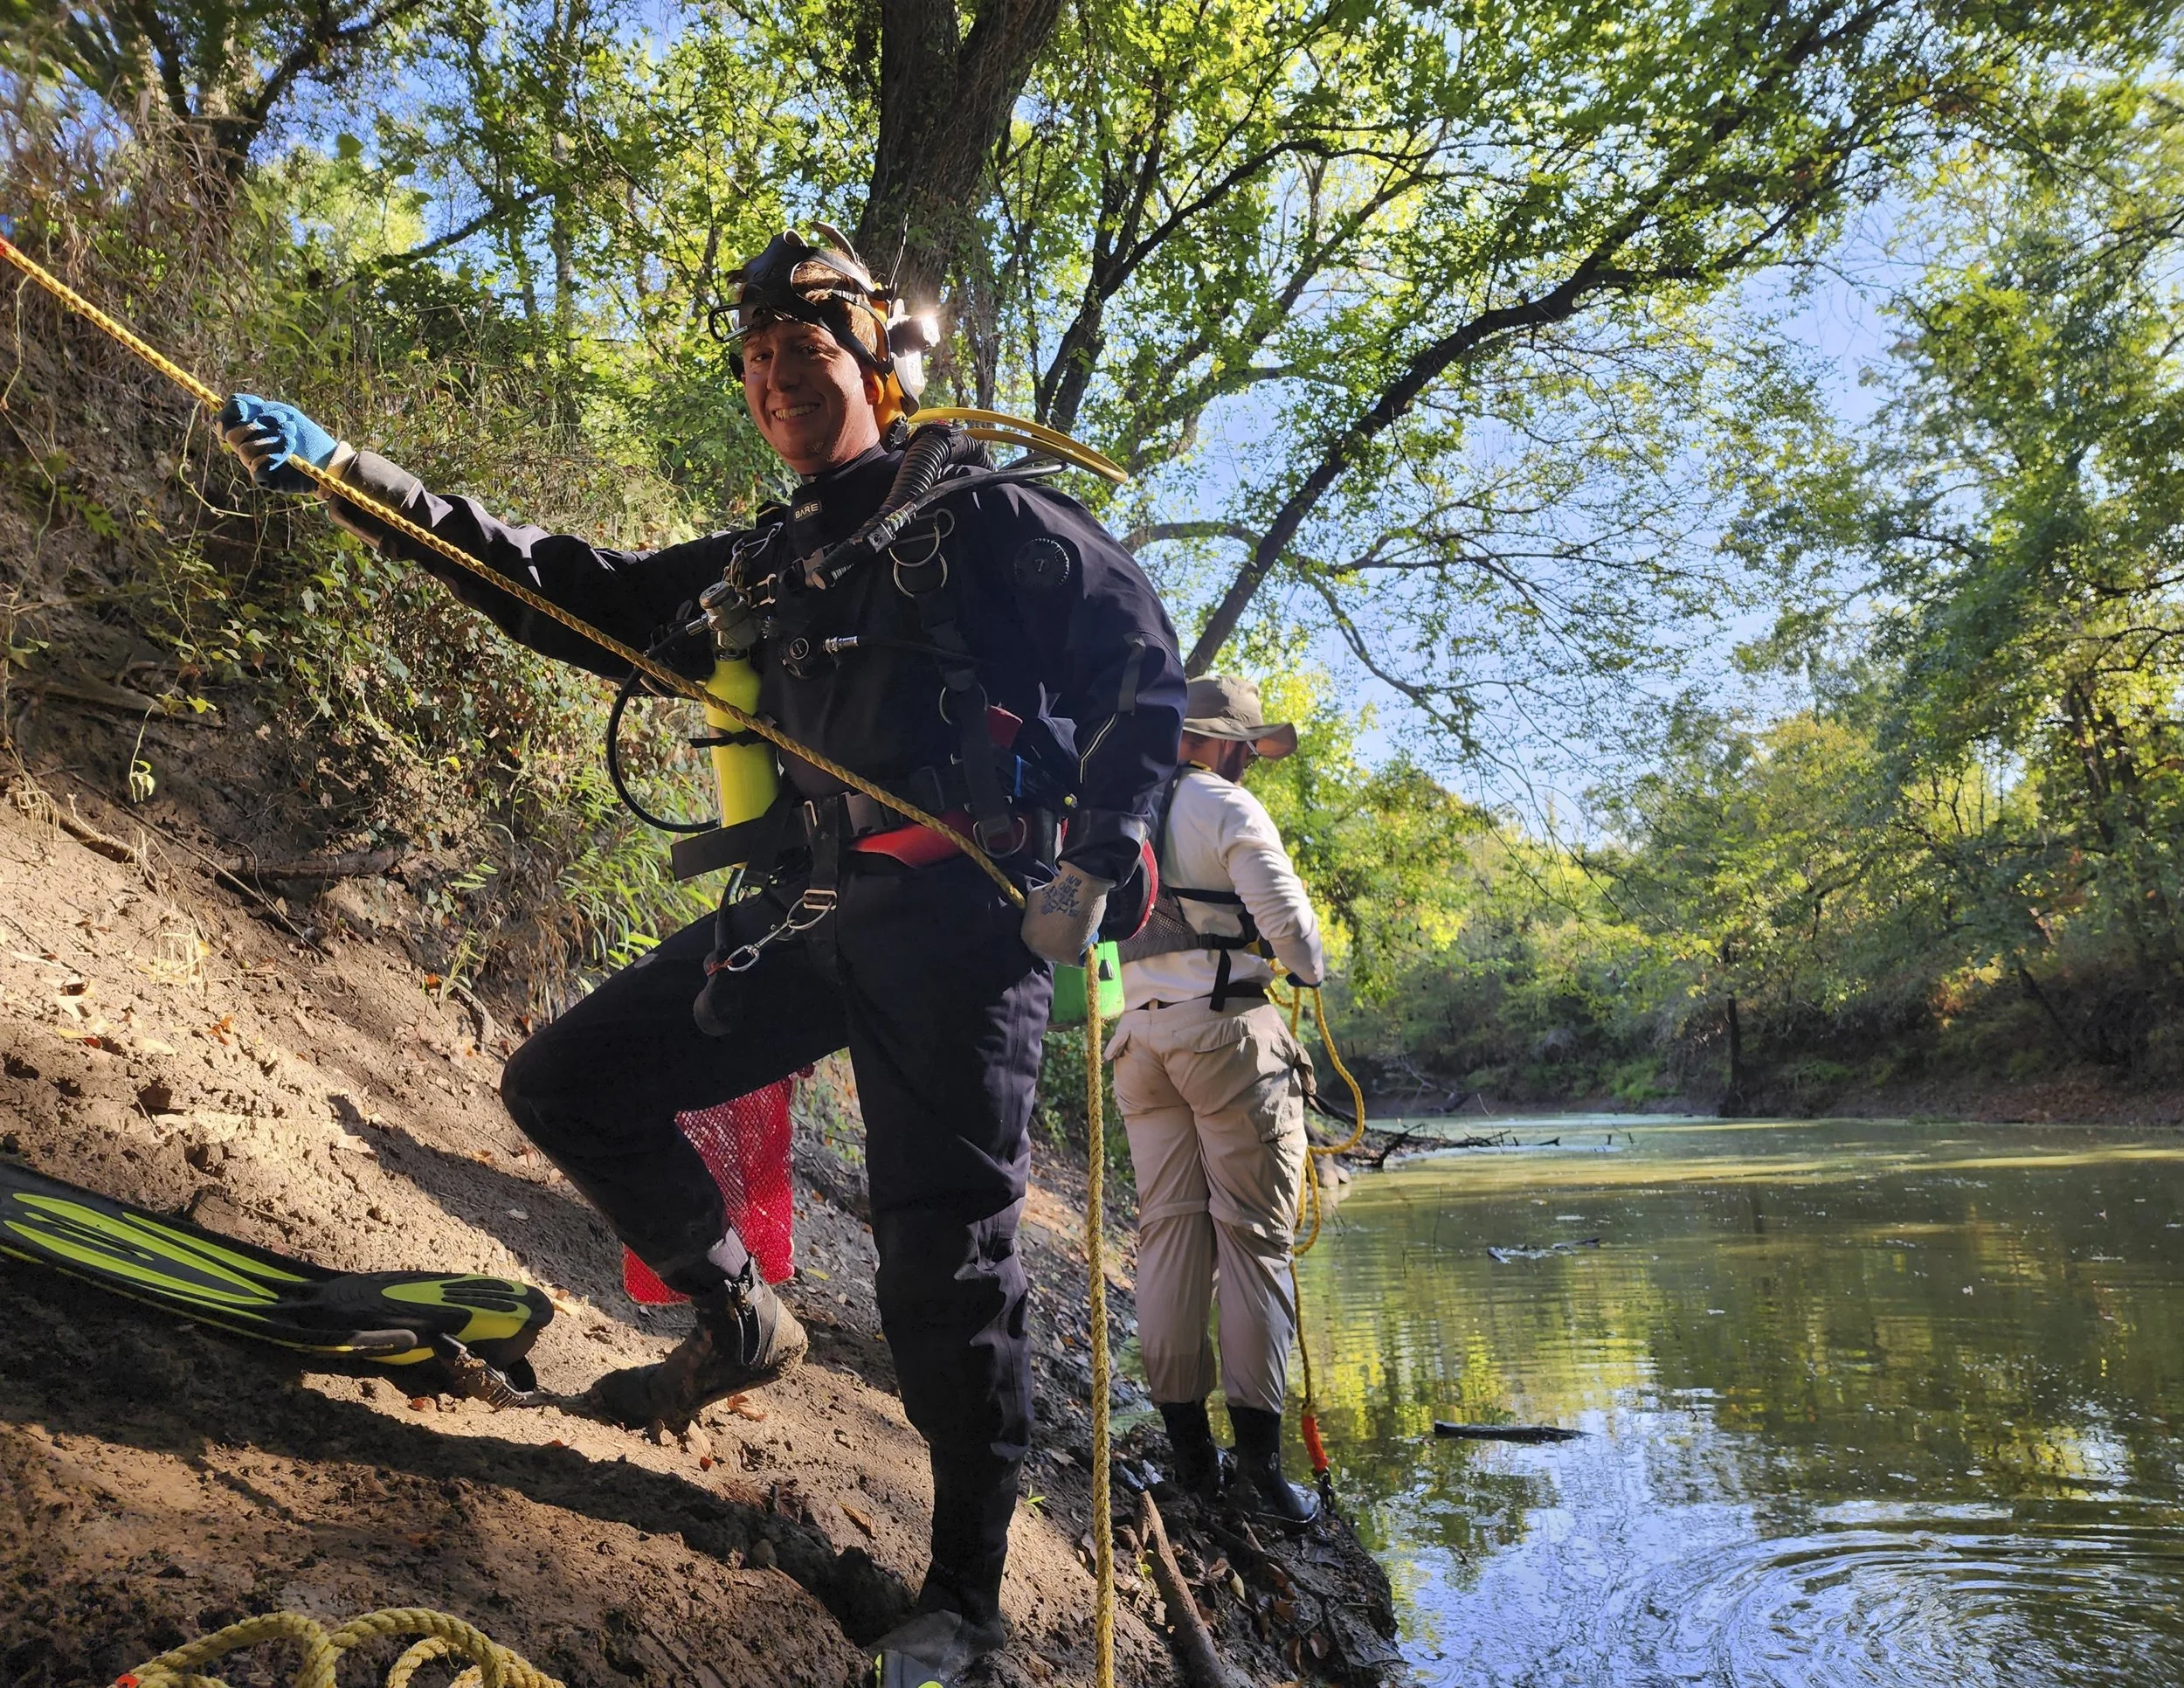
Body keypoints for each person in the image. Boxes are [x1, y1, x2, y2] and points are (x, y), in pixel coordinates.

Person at [217, 228, 1185, 1685]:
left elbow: (1135, 664)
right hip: (806, 916)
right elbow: (559, 583)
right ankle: (740, 1316)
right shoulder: (765, 565)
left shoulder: (982, 515)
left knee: (949, 1261)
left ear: (875, 361)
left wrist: (1110, 847)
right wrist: (357, 478)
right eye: (755, 363)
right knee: (570, 1078)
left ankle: (966, 1600)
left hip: (964, 928)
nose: (779, 380)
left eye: (803, 352)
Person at [1106, 675, 1328, 1526]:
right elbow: (1294, 935)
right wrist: (1307, 972)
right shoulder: (1223, 805)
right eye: (1246, 748)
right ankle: (1262, 1474)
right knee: (1253, 1242)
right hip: (1228, 1033)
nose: (1249, 762)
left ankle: (1192, 1461)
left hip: (1140, 1041)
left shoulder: (1122, 809)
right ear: (1225, 743)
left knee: (1168, 1236)